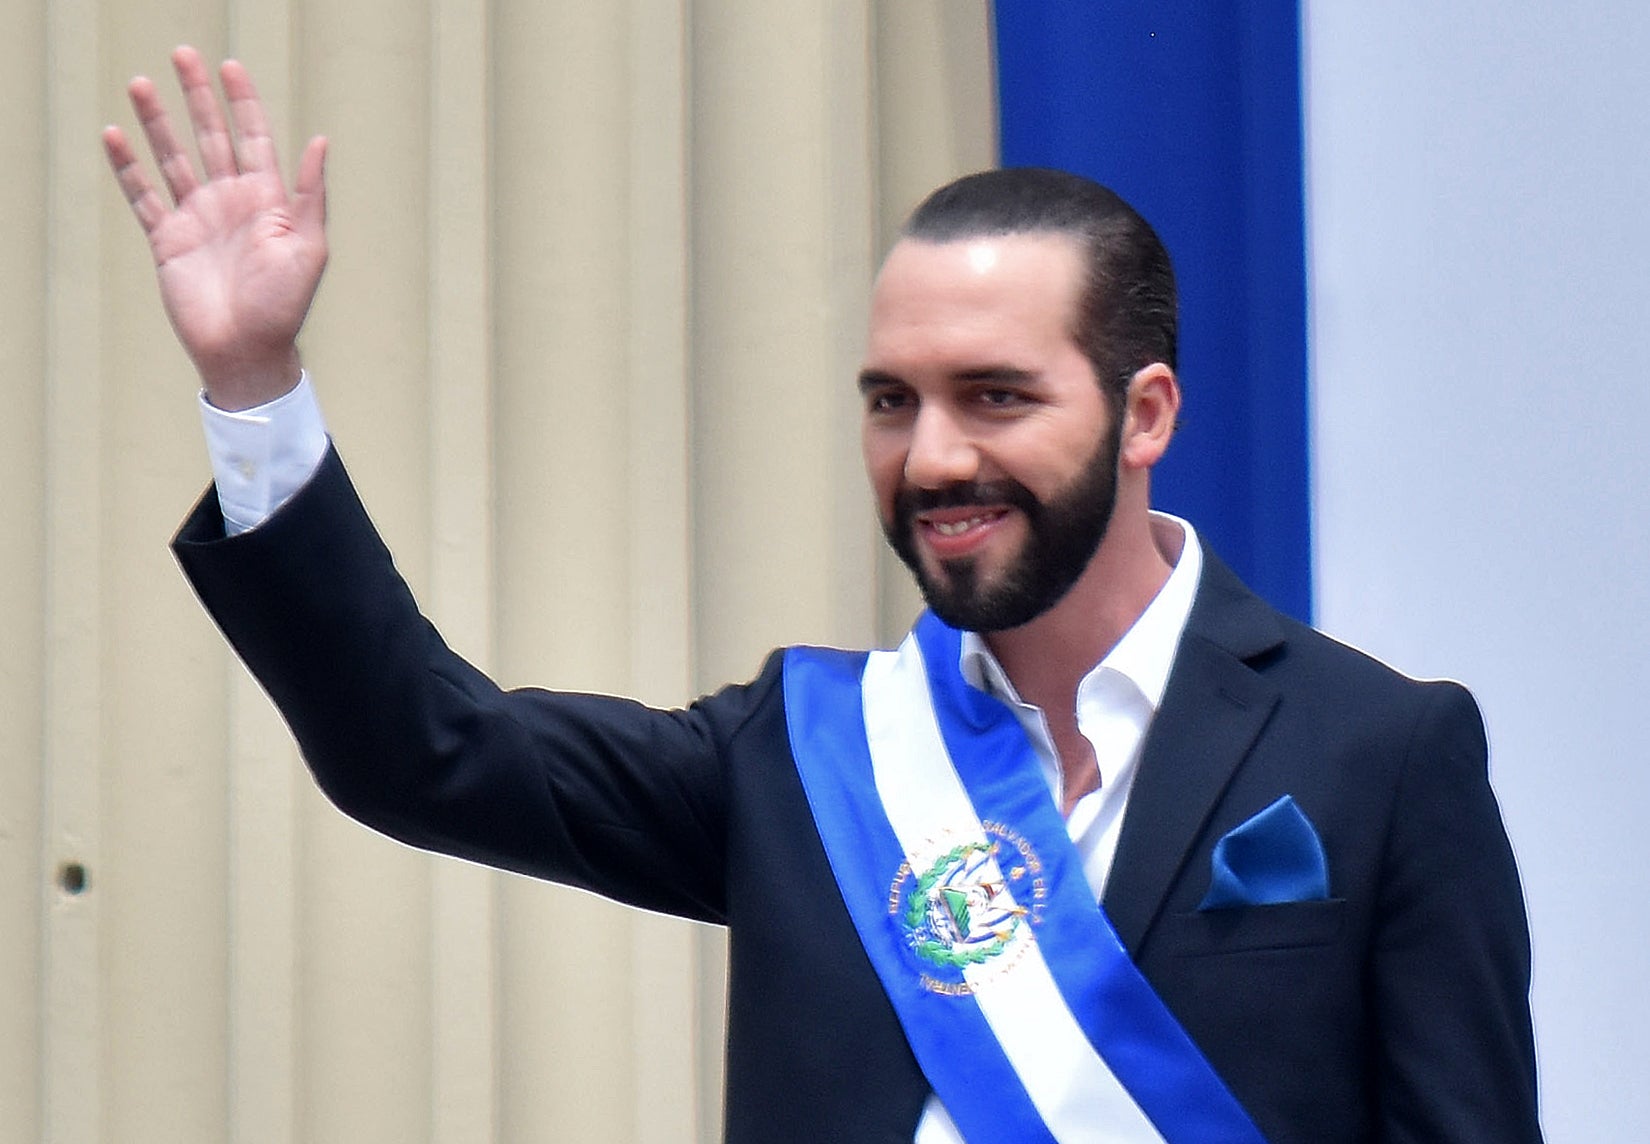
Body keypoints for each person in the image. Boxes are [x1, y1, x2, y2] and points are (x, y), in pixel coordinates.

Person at [105, 47, 1543, 1144]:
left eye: (994, 397)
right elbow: (421, 749)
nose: (930, 458)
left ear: (1142, 411)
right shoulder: (808, 759)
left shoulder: (1377, 754)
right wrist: (254, 385)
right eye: (887, 401)